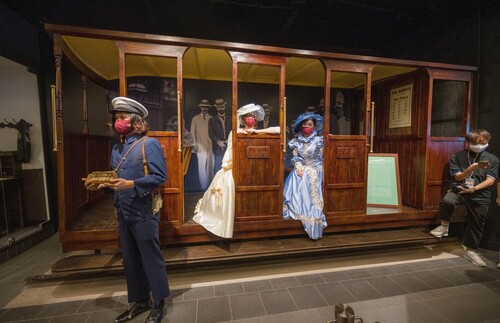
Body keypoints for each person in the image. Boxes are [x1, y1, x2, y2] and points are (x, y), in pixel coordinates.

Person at [83, 97, 169, 323]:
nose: (118, 122)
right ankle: (141, 301)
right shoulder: (116, 149)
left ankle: (159, 303)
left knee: (151, 258)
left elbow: (160, 177)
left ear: (135, 120)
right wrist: (103, 185)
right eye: (116, 118)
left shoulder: (148, 144)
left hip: (143, 211)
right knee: (130, 259)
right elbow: (116, 181)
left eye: (122, 117)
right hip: (123, 211)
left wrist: (131, 184)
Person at [193, 103, 280, 238]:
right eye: (248, 117)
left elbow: (278, 130)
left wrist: (257, 132)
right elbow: (231, 151)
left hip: (257, 168)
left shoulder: (260, 133)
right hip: (238, 166)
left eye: (253, 117)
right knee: (228, 183)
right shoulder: (235, 132)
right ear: (243, 119)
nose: (251, 120)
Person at [430, 129, 499, 267]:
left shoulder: (493, 159)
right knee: (448, 201)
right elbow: (457, 177)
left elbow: (491, 180)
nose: (479, 145)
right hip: (460, 189)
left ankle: (471, 250)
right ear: (468, 143)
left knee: (477, 222)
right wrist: (470, 170)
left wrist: (473, 189)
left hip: (481, 193)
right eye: (475, 143)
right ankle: (444, 226)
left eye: (483, 143)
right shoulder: (457, 156)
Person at [283, 112, 327, 240]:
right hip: (304, 167)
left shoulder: (319, 141)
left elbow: (323, 158)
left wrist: (313, 168)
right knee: (296, 176)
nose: (307, 126)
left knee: (308, 175)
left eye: (310, 124)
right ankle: (297, 209)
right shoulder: (296, 142)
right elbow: (297, 158)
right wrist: (298, 166)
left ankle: (312, 215)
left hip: (316, 167)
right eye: (305, 124)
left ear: (314, 126)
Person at [190, 99, 214, 190]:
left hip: (211, 145)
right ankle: (203, 188)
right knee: (201, 167)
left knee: (211, 166)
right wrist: (194, 144)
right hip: (200, 145)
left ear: (208, 108)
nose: (204, 108)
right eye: (203, 107)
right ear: (200, 107)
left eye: (206, 107)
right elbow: (192, 132)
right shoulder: (195, 118)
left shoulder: (212, 118)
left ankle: (210, 187)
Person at [209, 98, 231, 173]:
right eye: (219, 107)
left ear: (224, 106)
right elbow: (211, 134)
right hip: (218, 147)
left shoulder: (230, 118)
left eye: (222, 106)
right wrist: (219, 142)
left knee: (229, 166)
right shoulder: (212, 120)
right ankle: (217, 185)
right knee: (218, 167)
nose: (221, 108)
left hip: (229, 145)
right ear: (216, 108)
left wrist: (228, 141)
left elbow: (233, 131)